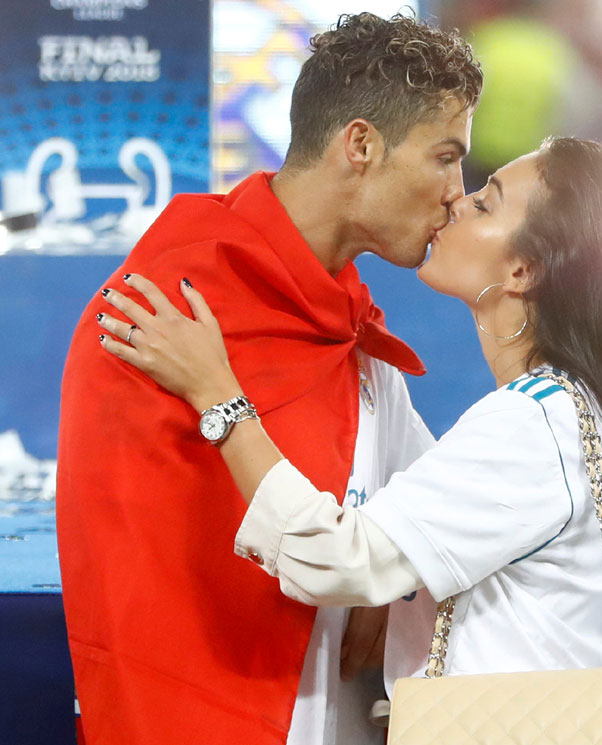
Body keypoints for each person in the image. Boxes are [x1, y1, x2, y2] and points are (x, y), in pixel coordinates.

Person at [97, 137, 602, 694]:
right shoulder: (572, 409)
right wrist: (397, 589)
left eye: (485, 200)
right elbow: (418, 521)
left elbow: (335, 559)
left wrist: (218, 396)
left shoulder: (531, 425)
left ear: (524, 271)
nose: (457, 200)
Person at [56, 12, 482, 745]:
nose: (456, 191)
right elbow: (129, 588)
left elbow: (412, 509)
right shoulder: (161, 310)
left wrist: (389, 580)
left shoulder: (343, 323)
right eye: (445, 157)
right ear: (360, 145)